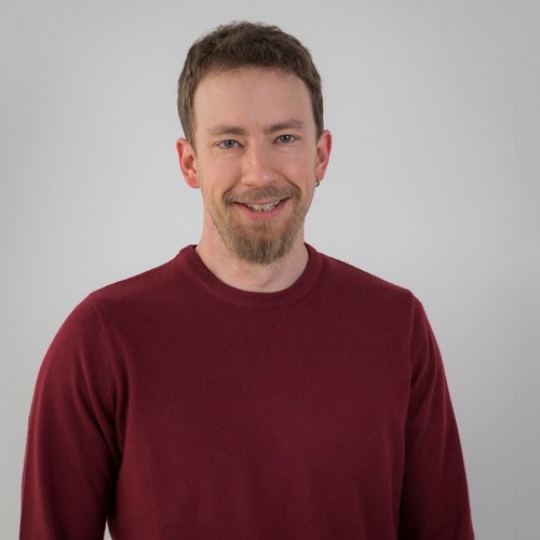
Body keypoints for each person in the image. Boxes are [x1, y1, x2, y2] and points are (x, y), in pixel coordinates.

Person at [20, 22, 474, 539]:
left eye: (284, 138)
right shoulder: (100, 339)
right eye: (230, 142)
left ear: (321, 155)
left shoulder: (396, 326)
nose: (259, 173)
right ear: (190, 162)